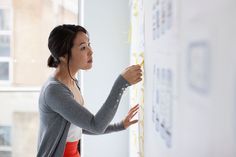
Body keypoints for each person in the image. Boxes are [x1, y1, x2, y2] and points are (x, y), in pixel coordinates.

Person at [37, 24, 142, 157]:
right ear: (63, 55)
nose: (90, 51)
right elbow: (95, 125)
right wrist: (121, 83)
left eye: (89, 44)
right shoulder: (54, 91)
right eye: (83, 47)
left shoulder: (72, 81)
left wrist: (120, 125)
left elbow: (82, 125)